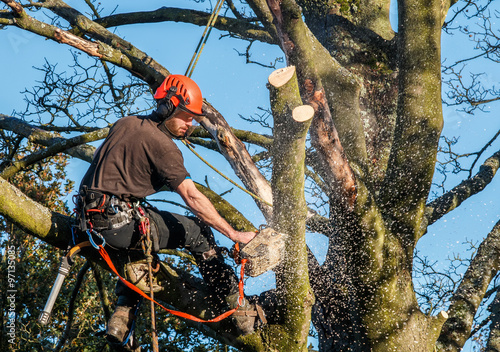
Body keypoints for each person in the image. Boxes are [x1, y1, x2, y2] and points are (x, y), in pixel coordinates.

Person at [77, 75, 265, 350]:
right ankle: (240, 311)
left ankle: (121, 315)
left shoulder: (124, 124)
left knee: (143, 230)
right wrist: (234, 234)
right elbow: (191, 195)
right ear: (167, 108)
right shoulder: (164, 147)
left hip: (88, 223)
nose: (189, 125)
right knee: (198, 231)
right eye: (186, 118)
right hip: (117, 225)